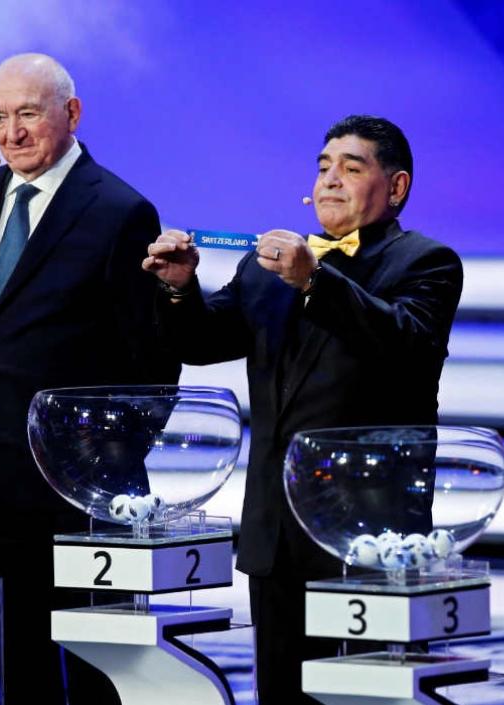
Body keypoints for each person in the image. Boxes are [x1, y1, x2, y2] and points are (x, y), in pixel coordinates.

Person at [144, 114, 464, 703]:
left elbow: (405, 344)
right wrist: (179, 288)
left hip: (367, 533)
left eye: (351, 167)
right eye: (323, 168)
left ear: (396, 188)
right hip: (278, 530)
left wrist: (317, 281)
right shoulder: (264, 270)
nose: (331, 181)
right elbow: (202, 343)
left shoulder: (426, 262)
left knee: (364, 697)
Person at [0, 53, 178, 704]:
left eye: (27, 114)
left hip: (82, 489)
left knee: (94, 674)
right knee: (18, 666)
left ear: (71, 114)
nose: (11, 133)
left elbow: (154, 361)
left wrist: (106, 461)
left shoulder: (120, 211)